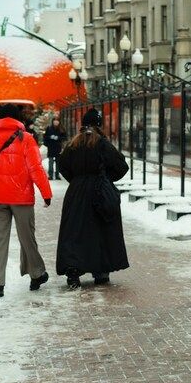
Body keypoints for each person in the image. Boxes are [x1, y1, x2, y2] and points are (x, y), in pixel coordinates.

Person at [56, 108, 129, 288]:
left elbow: (62, 165)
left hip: (76, 192)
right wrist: (105, 178)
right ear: (98, 125)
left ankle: (73, 269)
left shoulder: (73, 144)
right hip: (99, 192)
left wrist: (77, 180)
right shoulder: (103, 144)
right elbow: (121, 166)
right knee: (101, 229)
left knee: (74, 231)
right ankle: (101, 271)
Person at [0, 102, 52, 299]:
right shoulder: (26, 138)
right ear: (17, 118)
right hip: (21, 197)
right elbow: (35, 169)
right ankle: (37, 274)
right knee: (27, 238)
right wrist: (46, 193)